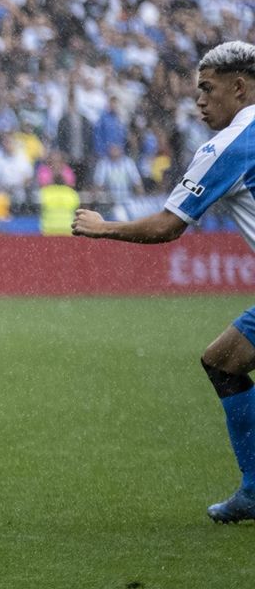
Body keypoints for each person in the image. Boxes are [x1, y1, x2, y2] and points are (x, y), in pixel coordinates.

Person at [74, 41, 255, 523]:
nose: (198, 100)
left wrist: (103, 227)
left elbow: (167, 226)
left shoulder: (229, 146)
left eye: (207, 89)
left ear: (239, 89)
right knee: (223, 361)